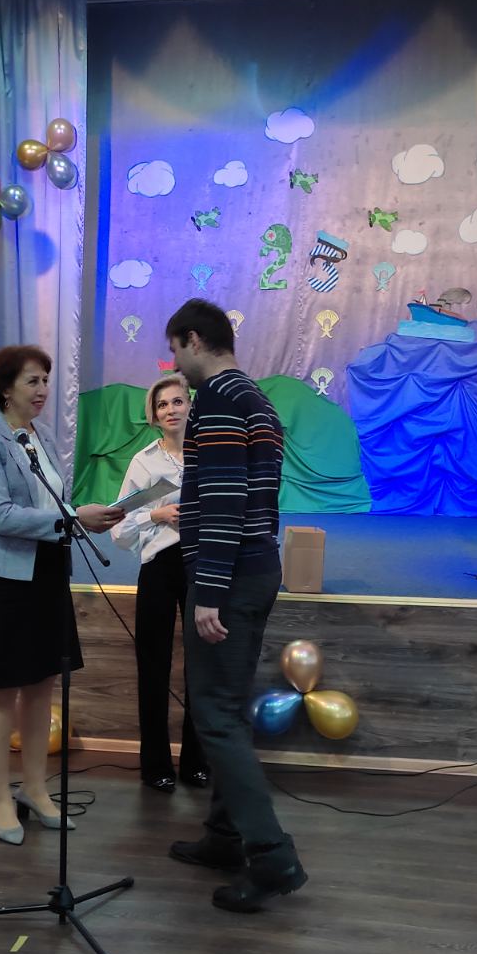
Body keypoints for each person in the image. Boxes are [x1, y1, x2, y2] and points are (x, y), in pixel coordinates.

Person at [164, 298, 307, 913]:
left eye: (175, 349)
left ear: (194, 340)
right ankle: (224, 835)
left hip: (230, 575)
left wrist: (210, 589)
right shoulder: (255, 398)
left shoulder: (219, 399)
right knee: (225, 707)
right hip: (257, 567)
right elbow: (252, 498)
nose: (174, 363)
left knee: (216, 715)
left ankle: (272, 857)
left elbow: (224, 501)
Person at [0, 344, 124, 845]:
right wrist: (74, 517)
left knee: (41, 686)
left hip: (46, 571)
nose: (43, 390)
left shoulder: (43, 435)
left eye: (46, 381)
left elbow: (52, 502)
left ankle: (34, 788)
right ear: (5, 388)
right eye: (32, 381)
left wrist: (84, 515)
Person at [111, 374, 209, 795]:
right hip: (159, 566)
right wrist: (157, 515)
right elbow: (119, 527)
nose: (171, 409)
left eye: (178, 401)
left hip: (202, 566)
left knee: (202, 666)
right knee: (153, 666)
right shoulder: (144, 463)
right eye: (162, 404)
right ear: (153, 415)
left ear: (190, 406)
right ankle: (155, 764)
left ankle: (197, 761)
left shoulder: (210, 453)